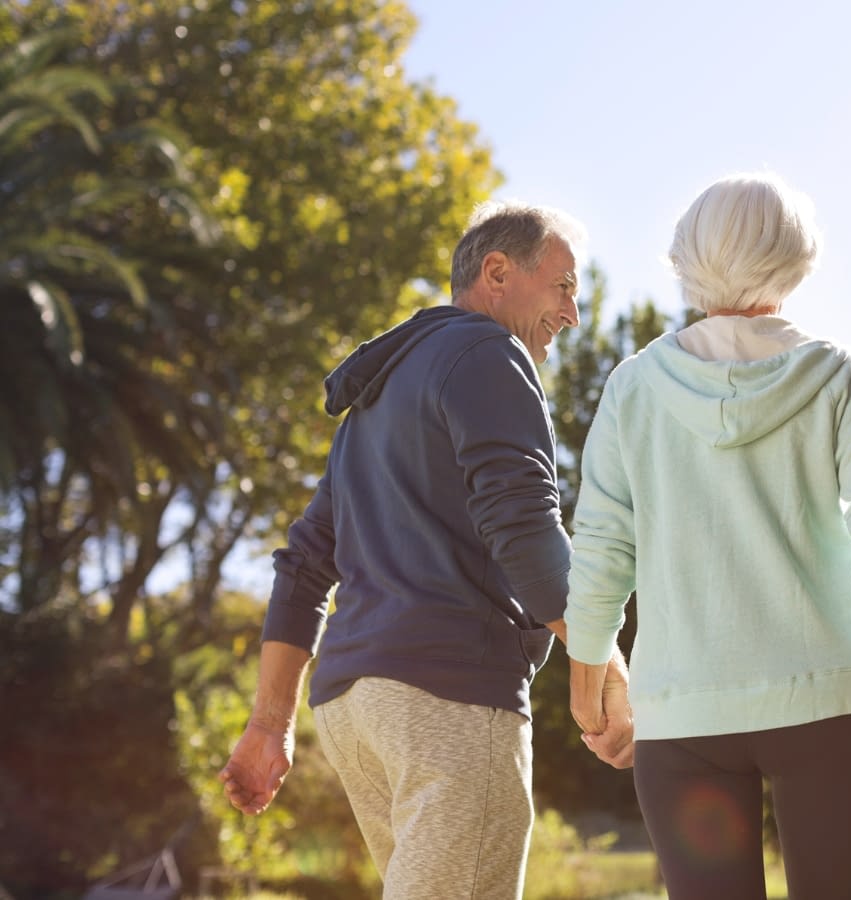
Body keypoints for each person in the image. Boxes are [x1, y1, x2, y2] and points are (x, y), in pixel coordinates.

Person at [561, 172, 851, 899]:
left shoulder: (633, 389)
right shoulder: (836, 377)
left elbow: (603, 554)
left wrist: (589, 697)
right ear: (796, 257)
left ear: (687, 257)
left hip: (684, 717)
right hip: (828, 706)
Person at [219, 201, 634, 900]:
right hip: (449, 696)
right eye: (563, 287)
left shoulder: (375, 401)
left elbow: (304, 563)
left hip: (355, 708)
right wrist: (606, 661)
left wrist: (269, 723)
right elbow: (525, 530)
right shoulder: (489, 354)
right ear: (497, 272)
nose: (572, 315)